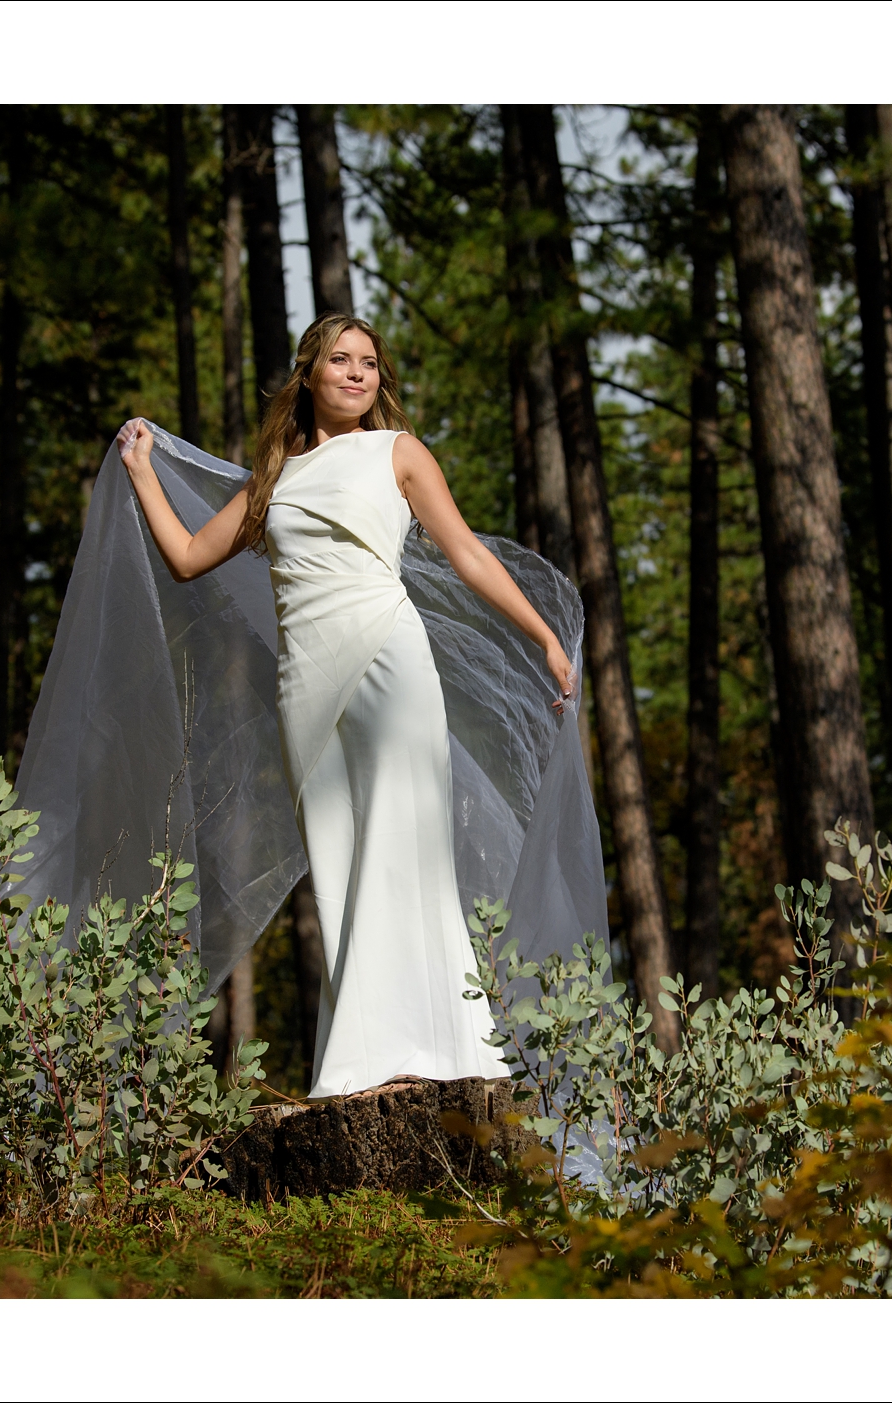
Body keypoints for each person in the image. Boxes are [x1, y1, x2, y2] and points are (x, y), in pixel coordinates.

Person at [114, 314, 578, 1099]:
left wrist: (542, 636)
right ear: (310, 374)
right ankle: (365, 1053)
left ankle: (444, 1047)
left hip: (388, 658)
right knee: (338, 858)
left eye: (369, 363)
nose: (358, 374)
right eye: (341, 360)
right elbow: (190, 557)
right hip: (306, 683)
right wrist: (141, 470)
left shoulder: (399, 453)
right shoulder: (277, 478)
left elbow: (465, 550)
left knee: (408, 840)